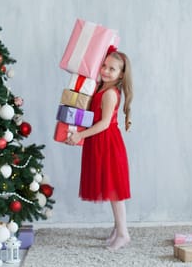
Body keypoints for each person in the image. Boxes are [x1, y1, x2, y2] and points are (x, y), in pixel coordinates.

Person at [66, 48, 133, 251]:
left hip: (107, 143)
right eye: (104, 66)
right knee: (110, 186)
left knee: (114, 189)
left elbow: (104, 123)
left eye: (112, 69)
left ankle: (123, 233)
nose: (105, 70)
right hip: (100, 141)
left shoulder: (110, 94)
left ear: (121, 75)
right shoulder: (100, 89)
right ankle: (117, 228)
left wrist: (80, 135)